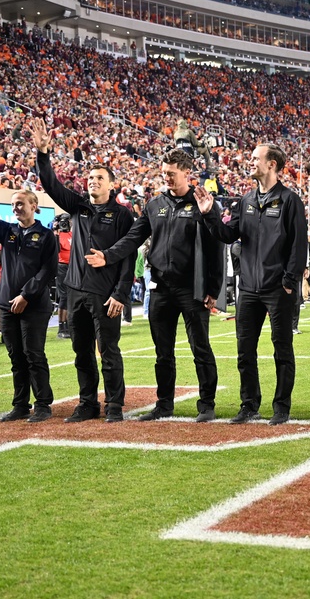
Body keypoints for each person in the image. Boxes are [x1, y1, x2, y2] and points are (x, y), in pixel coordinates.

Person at [86, 149, 223, 422]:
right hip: (160, 286)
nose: (167, 178)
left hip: (191, 289)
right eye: (164, 173)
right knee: (163, 352)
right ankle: (164, 403)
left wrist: (214, 289)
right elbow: (133, 238)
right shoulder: (153, 204)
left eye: (171, 173)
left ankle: (206, 404)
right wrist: (108, 255)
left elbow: (215, 247)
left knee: (201, 348)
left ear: (186, 172)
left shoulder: (203, 203)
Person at [195, 143, 307, 425]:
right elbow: (227, 234)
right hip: (248, 289)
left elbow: (298, 245)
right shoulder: (244, 201)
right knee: (245, 350)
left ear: (272, 164)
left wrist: (289, 282)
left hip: (277, 288)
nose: (250, 162)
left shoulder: (290, 201)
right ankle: (249, 404)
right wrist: (210, 213)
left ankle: (281, 406)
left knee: (282, 348)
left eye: (256, 158)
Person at [33, 118, 135, 423]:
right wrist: (42, 153)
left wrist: (121, 294)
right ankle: (88, 402)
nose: (93, 181)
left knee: (109, 351)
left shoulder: (122, 216)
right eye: (90, 177)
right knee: (81, 352)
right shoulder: (78, 206)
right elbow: (50, 185)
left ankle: (114, 404)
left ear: (112, 184)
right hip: (75, 291)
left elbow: (128, 258)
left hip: (106, 294)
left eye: (100, 178)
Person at [0, 167, 58, 423]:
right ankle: (20, 405)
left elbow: (47, 271)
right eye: (13, 205)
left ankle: (42, 404)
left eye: (20, 204)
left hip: (34, 305)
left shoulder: (46, 236)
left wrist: (26, 295)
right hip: (7, 305)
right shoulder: (7, 232)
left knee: (33, 354)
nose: (16, 208)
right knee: (15, 357)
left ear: (33, 205)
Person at [53, 213, 72, 338]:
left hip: (72, 266)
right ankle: (61, 326)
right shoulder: (56, 236)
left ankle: (70, 324)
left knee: (72, 296)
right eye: (64, 221)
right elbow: (56, 250)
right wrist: (55, 232)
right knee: (64, 297)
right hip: (62, 267)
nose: (67, 224)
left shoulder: (72, 234)